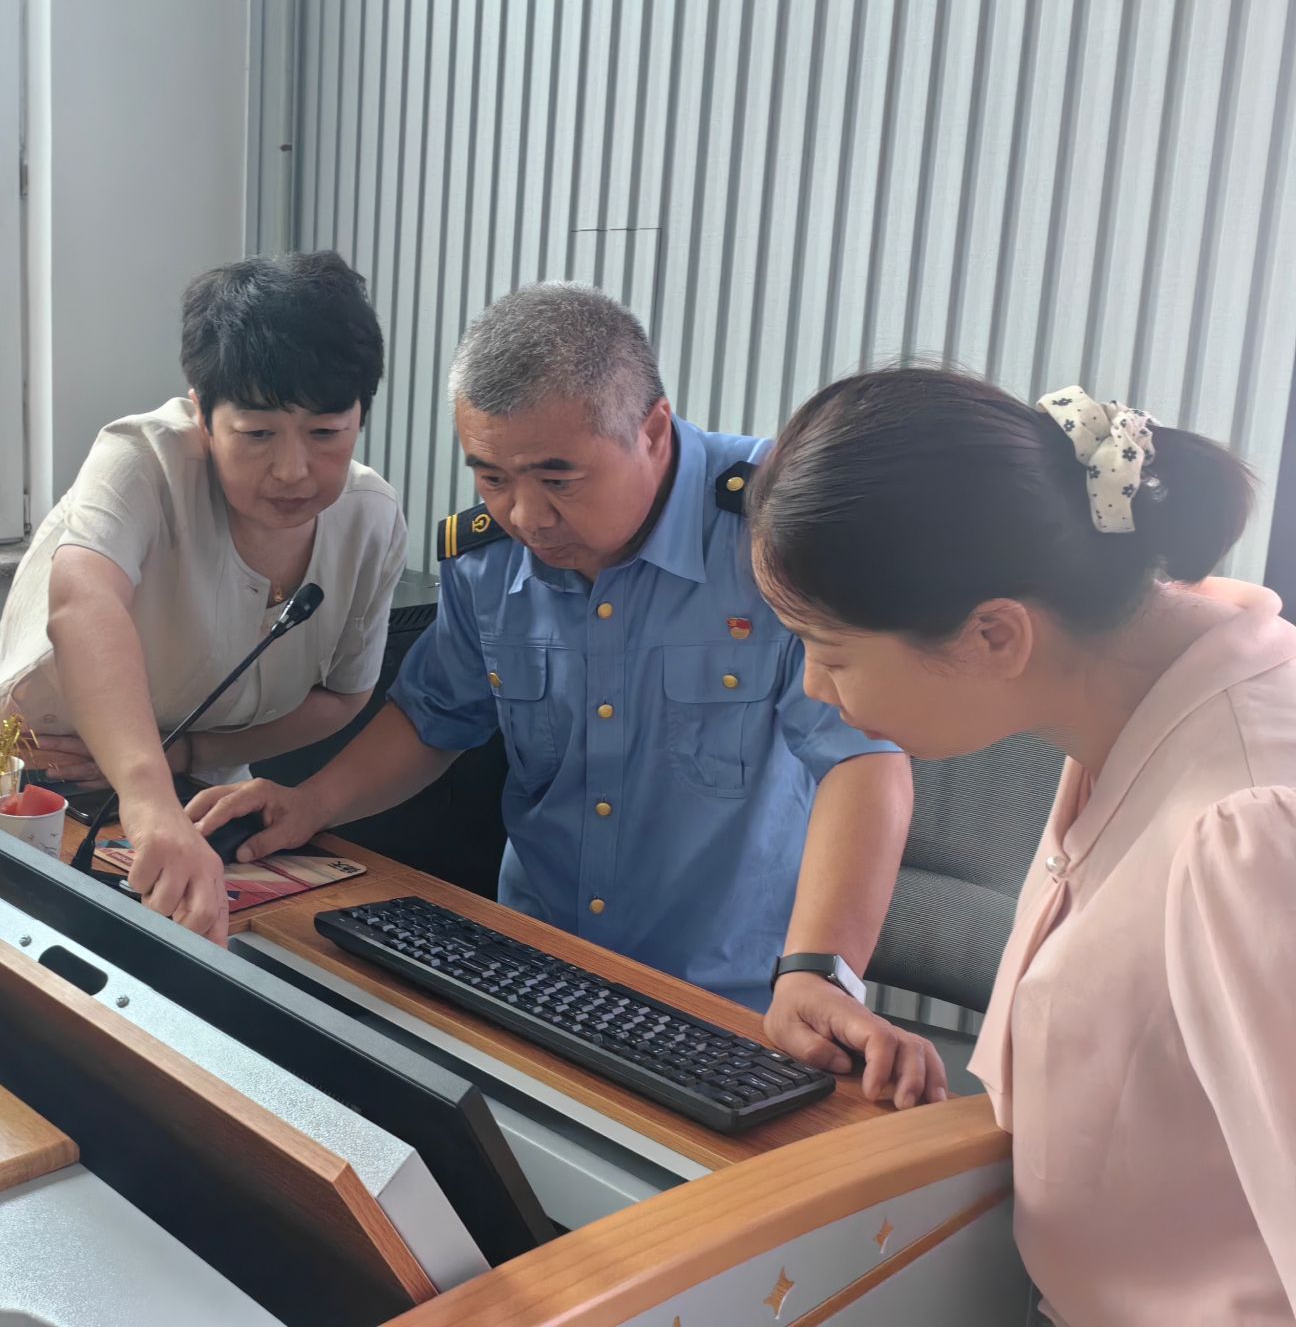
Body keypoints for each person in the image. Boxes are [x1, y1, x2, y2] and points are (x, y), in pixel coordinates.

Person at [194, 283, 944, 1105]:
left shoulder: (775, 530)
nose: (525, 515)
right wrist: (310, 805)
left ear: (651, 431)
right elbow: (434, 718)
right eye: (491, 477)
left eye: (558, 478)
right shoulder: (487, 560)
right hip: (535, 973)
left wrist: (821, 973)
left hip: (737, 1005)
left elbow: (862, 758)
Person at [747, 368, 1291, 1324]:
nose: (814, 690)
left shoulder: (1249, 826)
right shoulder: (1122, 707)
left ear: (994, 636)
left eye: (829, 653)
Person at [0, 252, 405, 943]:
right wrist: (147, 797)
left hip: (192, 797)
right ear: (202, 414)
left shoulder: (371, 519)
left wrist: (184, 757)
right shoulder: (141, 461)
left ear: (360, 416)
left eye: (326, 433)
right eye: (257, 434)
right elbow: (84, 602)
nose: (293, 470)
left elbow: (341, 696)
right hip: (37, 774)